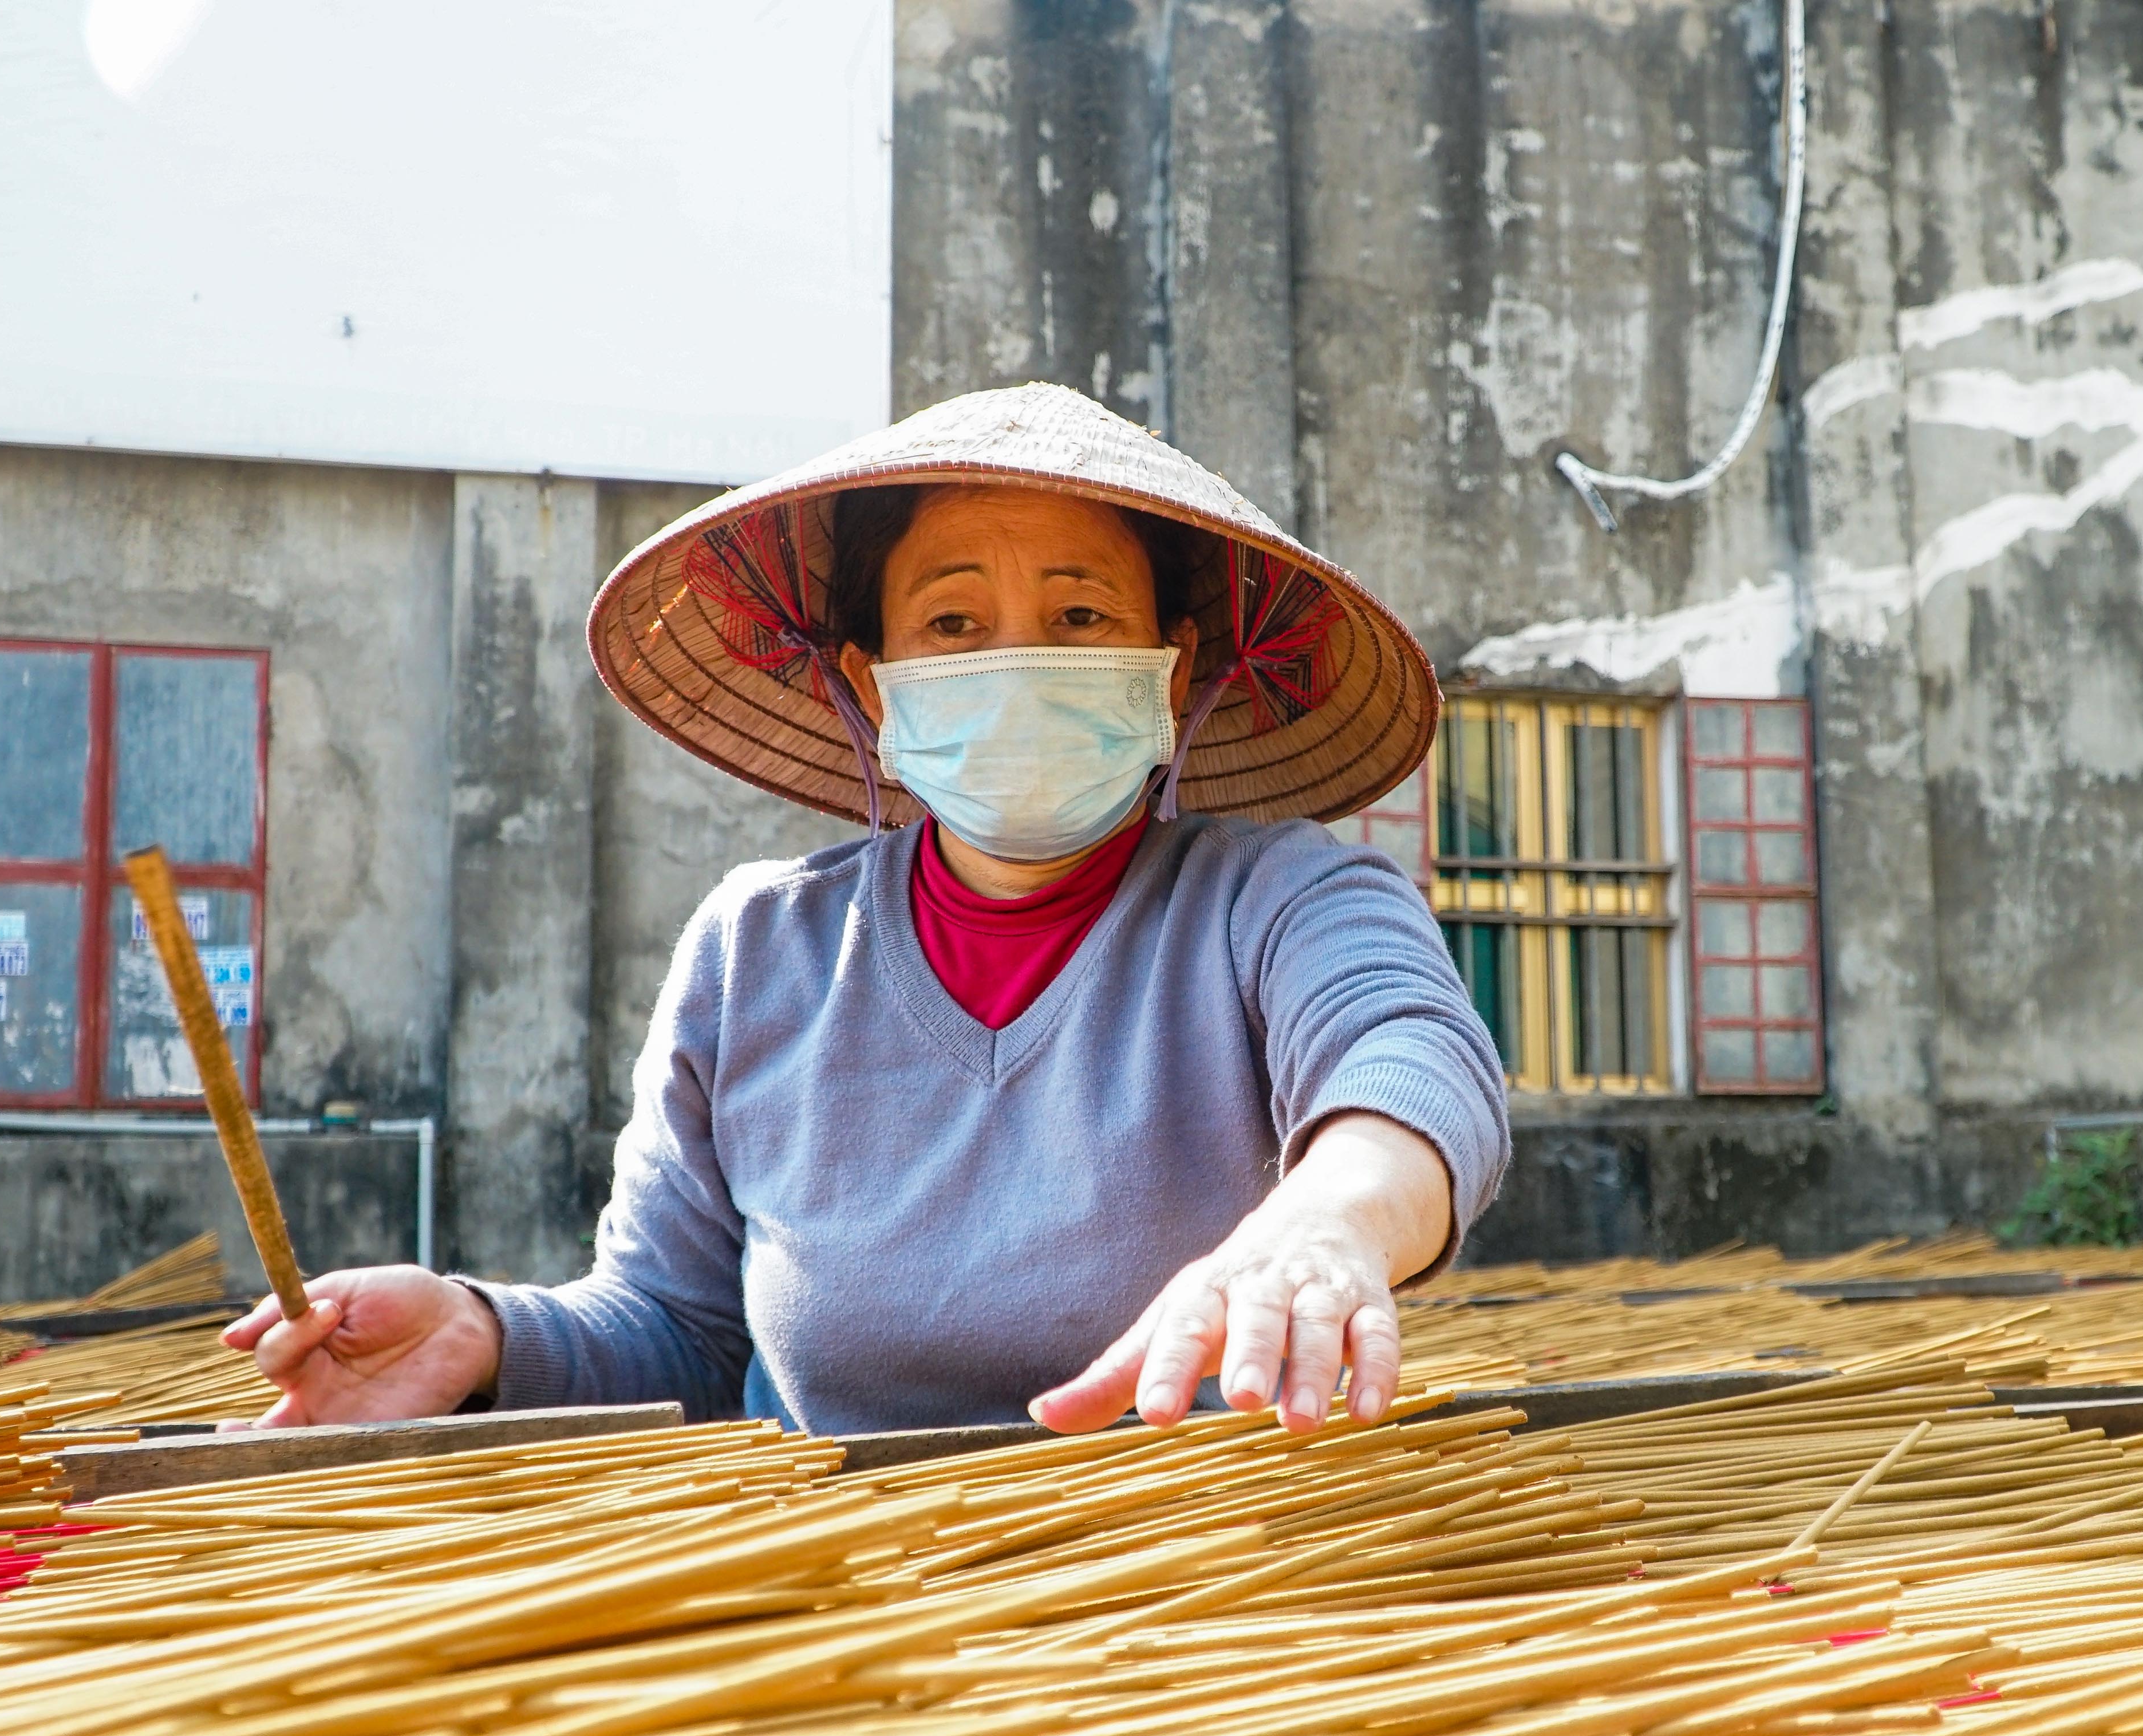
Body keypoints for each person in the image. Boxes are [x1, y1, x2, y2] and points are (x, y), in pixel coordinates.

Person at [227, 382, 1509, 1439]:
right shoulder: (760, 950)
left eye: (1080, 616)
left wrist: (1327, 1223)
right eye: (953, 622)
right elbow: (676, 1330)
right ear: (874, 683)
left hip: (1188, 1616)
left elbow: (1412, 1070)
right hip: (842, 1621)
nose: (1018, 659)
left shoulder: (1284, 899)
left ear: (1169, 673)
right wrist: (480, 1331)